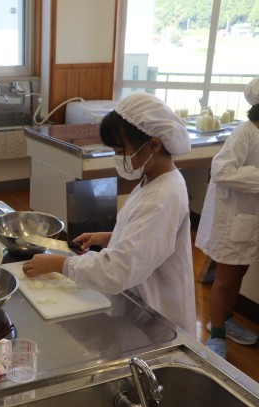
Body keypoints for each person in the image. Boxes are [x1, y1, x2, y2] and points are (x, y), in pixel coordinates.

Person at [22, 92, 197, 336]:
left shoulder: (161, 198)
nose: (119, 158)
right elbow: (149, 240)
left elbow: (118, 271)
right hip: (139, 303)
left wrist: (60, 264)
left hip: (156, 318)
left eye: (121, 150)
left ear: (154, 145)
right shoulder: (154, 180)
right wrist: (111, 237)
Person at [195, 77, 259, 359]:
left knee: (239, 274)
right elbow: (221, 170)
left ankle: (227, 319)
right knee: (224, 280)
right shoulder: (245, 133)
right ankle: (217, 333)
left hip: (248, 218)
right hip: (231, 219)